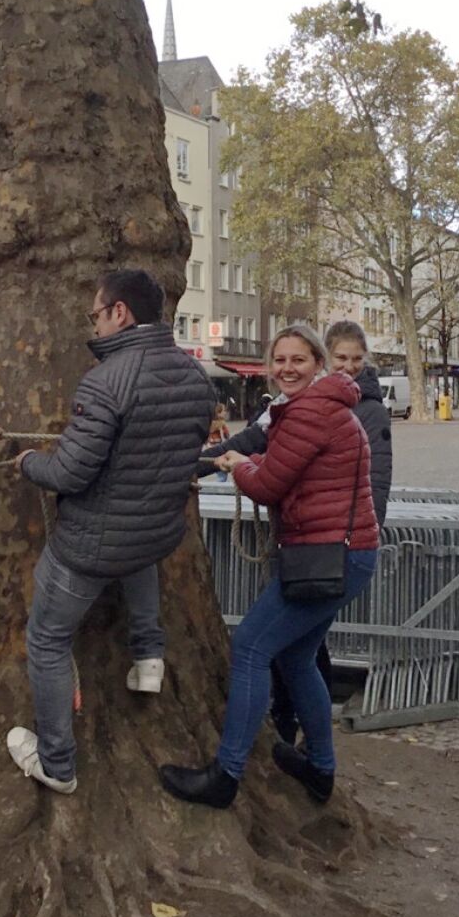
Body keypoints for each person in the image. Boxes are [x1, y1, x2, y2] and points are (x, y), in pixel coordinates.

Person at [7, 270, 214, 795]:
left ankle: (57, 764)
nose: (94, 326)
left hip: (89, 546)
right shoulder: (198, 379)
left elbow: (70, 473)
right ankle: (148, 657)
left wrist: (29, 462)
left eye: (95, 315)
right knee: (137, 551)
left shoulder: (106, 381)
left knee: (48, 639)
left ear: (119, 312)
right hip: (154, 533)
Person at [159, 325, 378, 809]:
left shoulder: (309, 412)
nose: (287, 368)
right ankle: (320, 769)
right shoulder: (320, 407)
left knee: (251, 647)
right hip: (342, 554)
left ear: (318, 363)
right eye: (279, 360)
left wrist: (237, 465)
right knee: (297, 658)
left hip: (327, 556)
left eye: (298, 360)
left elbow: (267, 485)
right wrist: (226, 460)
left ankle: (225, 775)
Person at [265, 320, 391, 748]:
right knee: (298, 648)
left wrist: (359, 535)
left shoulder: (365, 410)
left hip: (332, 547)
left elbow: (376, 479)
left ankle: (285, 740)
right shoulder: (290, 403)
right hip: (303, 543)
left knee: (271, 646)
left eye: (357, 360)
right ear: (328, 360)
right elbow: (256, 438)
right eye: (343, 359)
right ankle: (308, 746)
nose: (349, 367)